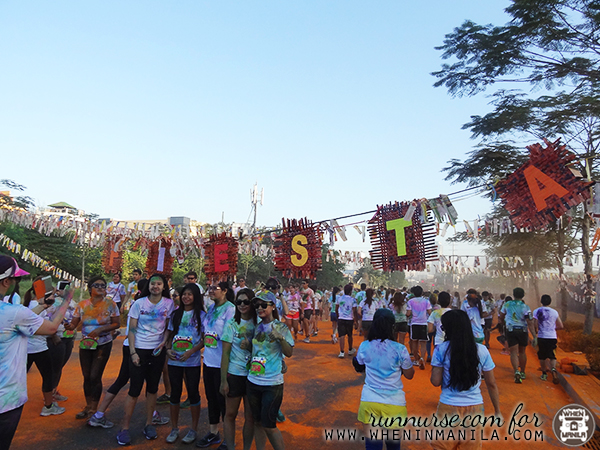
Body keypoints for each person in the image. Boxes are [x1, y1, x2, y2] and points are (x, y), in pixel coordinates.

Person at [0, 256, 72, 450]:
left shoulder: (15, 312)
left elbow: (21, 319)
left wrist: (42, 306)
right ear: (6, 281)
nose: (16, 283)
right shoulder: (13, 312)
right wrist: (65, 301)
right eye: (15, 279)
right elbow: (51, 328)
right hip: (6, 400)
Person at [430, 309, 502, 450]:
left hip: (448, 406)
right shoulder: (481, 350)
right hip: (475, 408)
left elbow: (435, 381)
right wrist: (497, 410)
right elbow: (491, 384)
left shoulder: (441, 350)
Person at [116, 274, 174, 445]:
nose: (155, 286)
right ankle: (124, 428)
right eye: (153, 284)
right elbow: (132, 329)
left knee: (153, 389)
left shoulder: (169, 304)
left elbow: (169, 327)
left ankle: (149, 424)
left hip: (157, 351)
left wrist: (164, 342)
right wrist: (133, 352)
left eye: (159, 284)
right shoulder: (138, 304)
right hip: (139, 349)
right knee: (134, 390)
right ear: (148, 286)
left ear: (164, 287)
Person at [353, 308, 414, 450]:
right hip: (394, 403)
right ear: (392, 327)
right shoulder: (400, 349)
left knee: (372, 446)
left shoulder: (365, 346)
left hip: (370, 401)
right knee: (393, 446)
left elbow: (359, 365)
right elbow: (410, 374)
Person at [66, 276, 120, 420]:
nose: (101, 288)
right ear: (90, 289)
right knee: (87, 376)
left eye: (103, 286)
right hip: (86, 344)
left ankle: (94, 409)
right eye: (97, 285)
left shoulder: (111, 304)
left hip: (103, 344)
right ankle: (88, 405)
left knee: (95, 376)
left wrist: (100, 330)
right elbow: (74, 324)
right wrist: (68, 326)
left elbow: (116, 324)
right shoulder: (82, 305)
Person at [247, 292, 294, 450]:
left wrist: (280, 338)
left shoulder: (281, 327)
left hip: (272, 383)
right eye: (257, 305)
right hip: (253, 380)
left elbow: (289, 352)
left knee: (269, 425)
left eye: (263, 305)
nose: (259, 308)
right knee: (258, 422)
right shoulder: (257, 327)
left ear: (273, 306)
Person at [165, 283, 205, 444]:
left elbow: (204, 339)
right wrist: (167, 350)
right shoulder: (175, 314)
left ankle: (193, 429)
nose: (186, 297)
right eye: (184, 294)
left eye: (189, 294)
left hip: (192, 362)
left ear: (195, 296)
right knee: (175, 393)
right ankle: (174, 428)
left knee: (193, 393)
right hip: (174, 361)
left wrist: (191, 352)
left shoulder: (202, 315)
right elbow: (169, 334)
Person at [198, 281, 236, 449]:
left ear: (225, 291)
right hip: (208, 361)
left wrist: (214, 336)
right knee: (211, 398)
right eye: (210, 288)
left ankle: (228, 438)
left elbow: (228, 335)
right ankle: (213, 433)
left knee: (224, 401)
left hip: (223, 362)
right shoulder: (212, 308)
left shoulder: (231, 309)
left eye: (215, 289)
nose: (211, 291)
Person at [220, 287, 257, 450]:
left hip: (254, 376)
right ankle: (230, 447)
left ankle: (247, 448)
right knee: (230, 415)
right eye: (239, 302)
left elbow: (266, 350)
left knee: (250, 417)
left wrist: (250, 346)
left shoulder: (259, 324)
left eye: (246, 302)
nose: (242, 305)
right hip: (234, 374)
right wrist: (223, 381)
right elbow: (225, 354)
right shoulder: (231, 324)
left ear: (252, 303)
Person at [23, 278, 66, 417]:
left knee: (19, 376)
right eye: (52, 295)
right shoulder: (36, 307)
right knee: (48, 377)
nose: (54, 297)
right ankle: (48, 407)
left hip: (28, 348)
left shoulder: (31, 304)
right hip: (38, 347)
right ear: (44, 295)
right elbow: (41, 327)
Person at [499, 287, 535, 384]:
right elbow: (530, 321)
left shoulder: (507, 304)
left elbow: (501, 316)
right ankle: (523, 372)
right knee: (522, 352)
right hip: (523, 330)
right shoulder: (526, 307)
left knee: (514, 352)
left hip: (511, 330)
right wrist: (534, 336)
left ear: (513, 294)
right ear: (523, 295)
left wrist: (502, 324)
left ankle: (516, 371)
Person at [533, 294, 563, 384]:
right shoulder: (554, 312)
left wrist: (536, 332)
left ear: (541, 301)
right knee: (552, 354)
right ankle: (553, 368)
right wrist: (553, 329)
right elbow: (561, 326)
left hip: (542, 336)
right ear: (550, 302)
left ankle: (544, 374)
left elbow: (535, 323)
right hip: (552, 336)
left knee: (542, 356)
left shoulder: (537, 311)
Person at [406, 285, 431, 369]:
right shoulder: (426, 301)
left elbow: (408, 313)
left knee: (414, 342)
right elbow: (430, 312)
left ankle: (416, 359)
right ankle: (422, 359)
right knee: (423, 342)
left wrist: (407, 315)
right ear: (422, 293)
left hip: (414, 323)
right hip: (424, 323)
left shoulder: (410, 301)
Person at [336, 284, 358, 358]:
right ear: (351, 291)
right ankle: (350, 349)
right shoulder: (353, 300)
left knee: (341, 335)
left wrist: (338, 315)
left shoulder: (340, 298)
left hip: (341, 318)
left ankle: (342, 351)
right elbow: (354, 311)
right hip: (349, 319)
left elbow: (336, 308)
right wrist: (355, 321)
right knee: (349, 335)